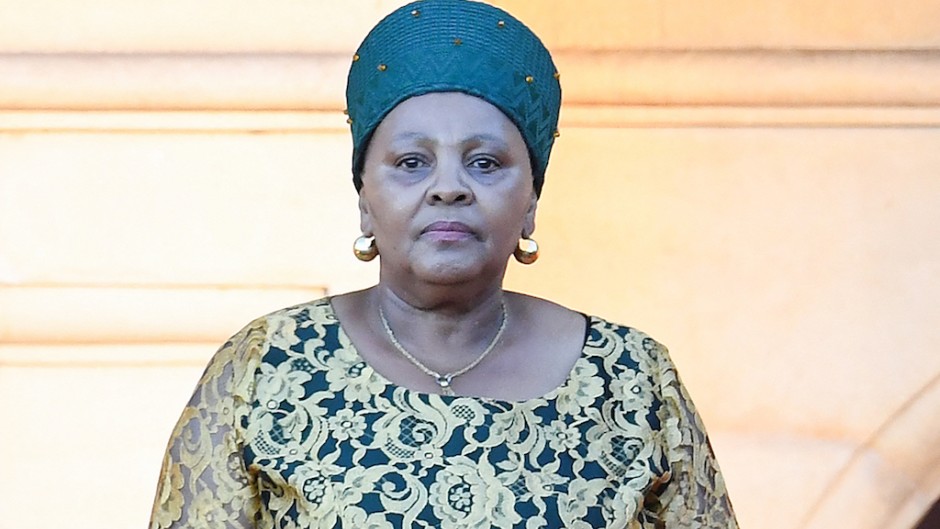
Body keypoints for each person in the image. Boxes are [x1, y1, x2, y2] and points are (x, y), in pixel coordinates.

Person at [149, 1, 738, 527]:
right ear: (364, 200)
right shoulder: (264, 368)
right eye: (411, 161)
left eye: (484, 163)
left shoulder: (633, 379)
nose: (448, 188)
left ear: (531, 200)